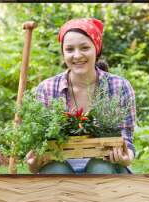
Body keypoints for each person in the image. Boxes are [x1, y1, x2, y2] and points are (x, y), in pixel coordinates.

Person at [25, 18, 136, 174]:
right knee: (55, 170)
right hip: (59, 164)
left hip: (108, 166)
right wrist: (34, 163)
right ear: (63, 53)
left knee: (99, 168)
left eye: (84, 48)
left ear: (96, 49)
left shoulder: (119, 87)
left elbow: (127, 142)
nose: (77, 55)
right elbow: (36, 153)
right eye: (69, 49)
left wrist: (125, 158)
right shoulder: (47, 88)